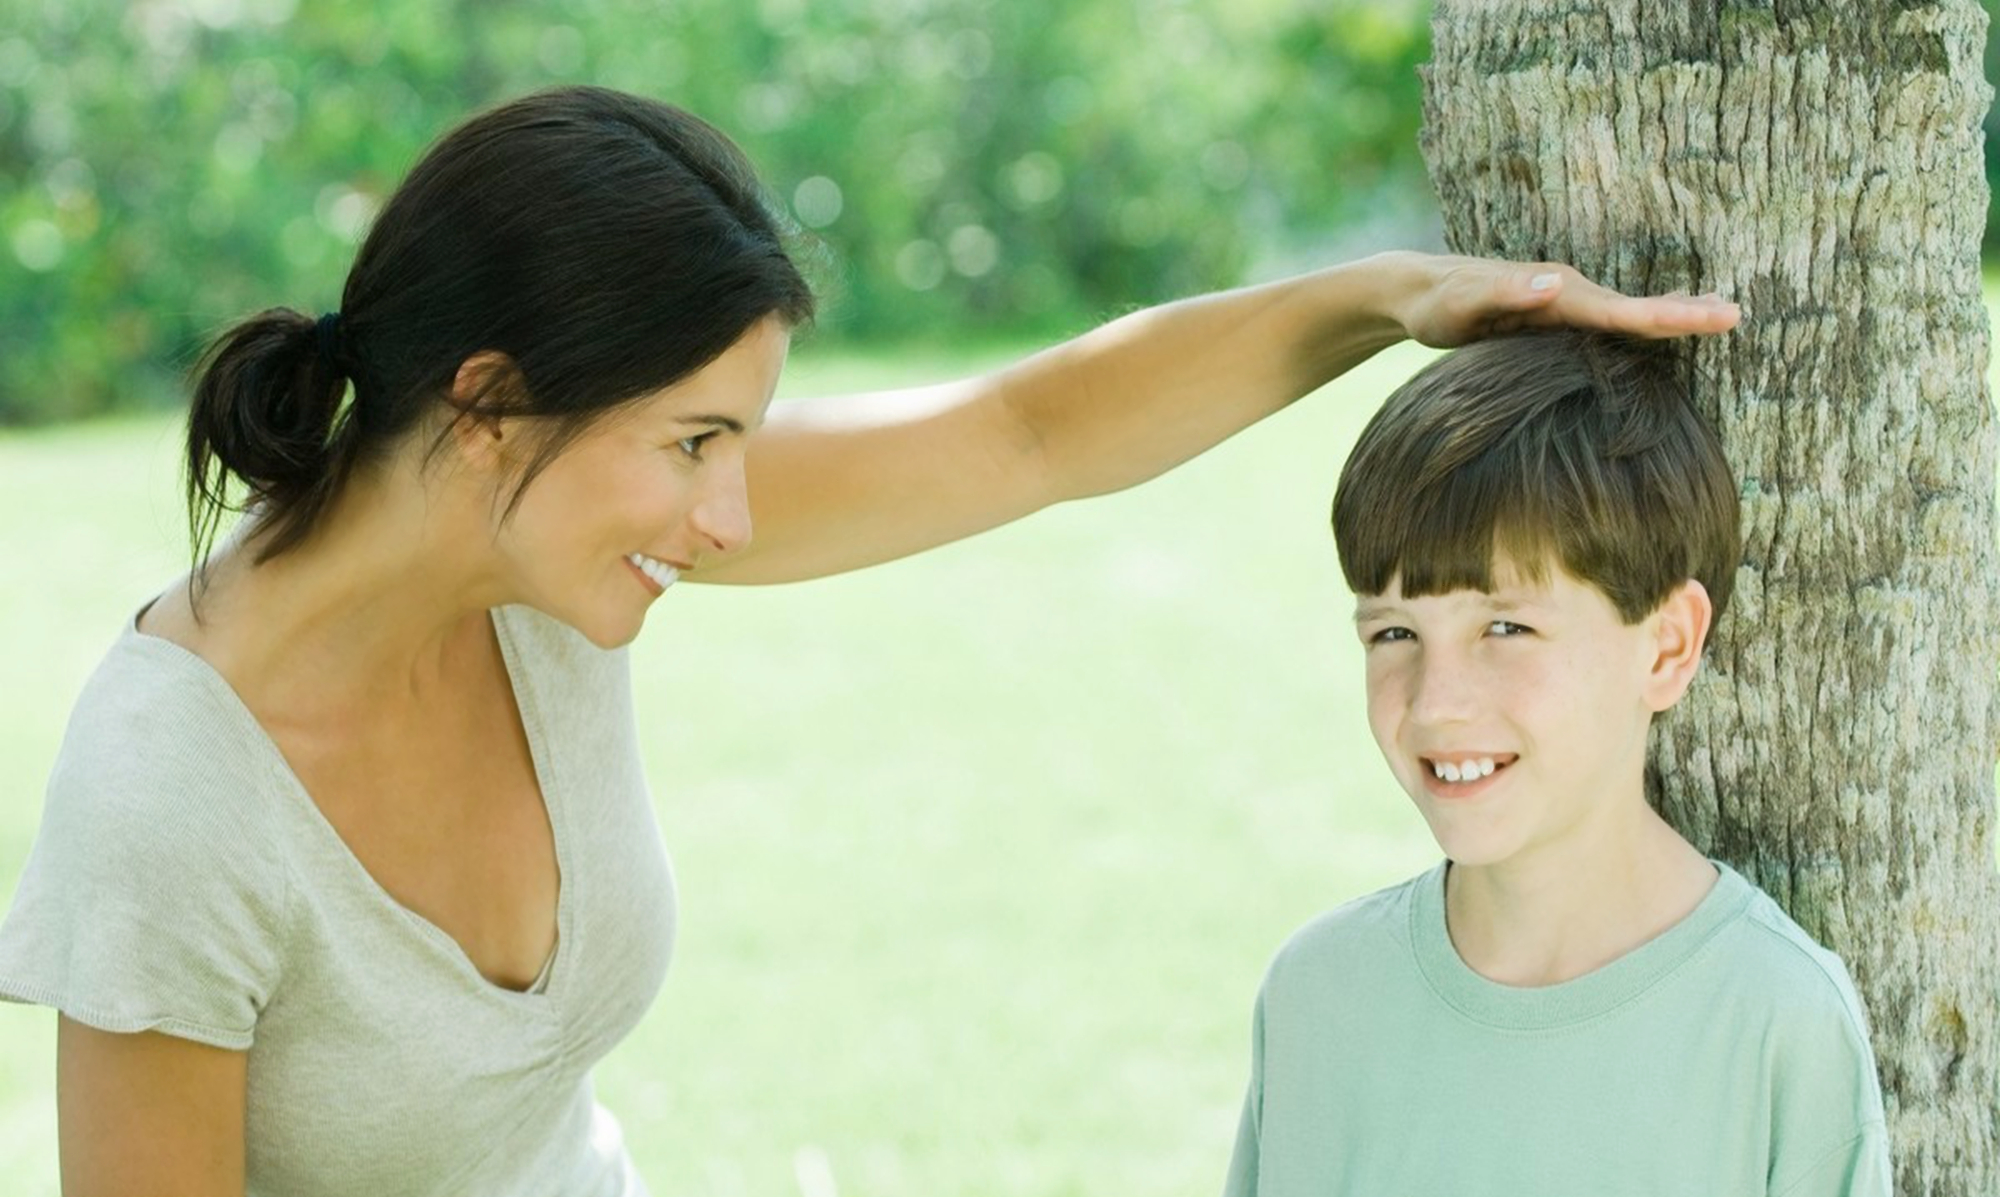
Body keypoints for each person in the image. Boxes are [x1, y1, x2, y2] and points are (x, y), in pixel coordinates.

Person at [0, 86, 1739, 1197]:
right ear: (490, 406)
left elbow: (1027, 432)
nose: (731, 520)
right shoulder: (176, 803)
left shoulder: (538, 568)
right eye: (695, 444)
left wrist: (1386, 301)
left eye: (742, 445)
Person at [1222, 329, 1889, 1196]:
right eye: (1394, 633)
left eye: (1506, 627)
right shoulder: (1319, 997)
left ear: (1666, 646)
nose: (1434, 703)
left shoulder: (1774, 1022)